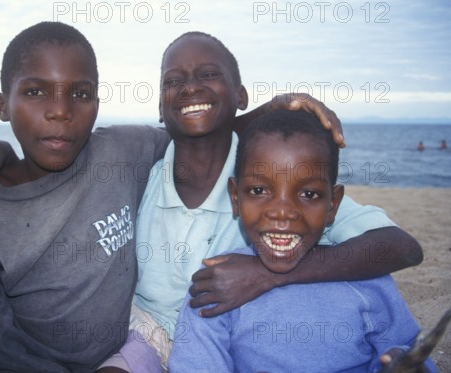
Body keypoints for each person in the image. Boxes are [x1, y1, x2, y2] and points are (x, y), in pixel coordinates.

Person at [0, 22, 343, 372]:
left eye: (80, 94)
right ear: (3, 105)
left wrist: (271, 110)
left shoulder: (123, 151)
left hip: (117, 356)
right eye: (37, 93)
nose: (60, 112)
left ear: (98, 102)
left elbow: (197, 128)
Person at [0, 31, 424, 373]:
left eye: (208, 75)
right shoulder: (143, 164)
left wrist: (264, 271)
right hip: (151, 336)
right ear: (160, 107)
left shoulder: (271, 178)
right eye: (173, 80)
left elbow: (400, 247)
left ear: (240, 95)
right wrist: (4, 155)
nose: (190, 87)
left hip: (240, 329)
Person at [168, 109, 436, 373]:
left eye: (309, 194)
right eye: (259, 190)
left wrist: (404, 363)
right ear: (236, 198)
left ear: (333, 204)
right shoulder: (217, 284)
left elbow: (409, 351)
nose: (283, 211)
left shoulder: (367, 282)